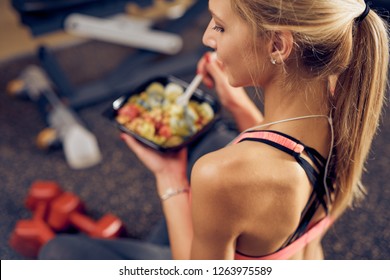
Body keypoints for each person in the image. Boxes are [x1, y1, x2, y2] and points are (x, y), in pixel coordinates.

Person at [39, 0, 389, 260]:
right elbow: (290, 154)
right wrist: (238, 105)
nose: (207, 37)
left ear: (278, 46)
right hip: (296, 250)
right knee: (217, 138)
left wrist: (170, 179)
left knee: (57, 252)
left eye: (220, 26)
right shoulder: (343, 103)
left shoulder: (220, 175)